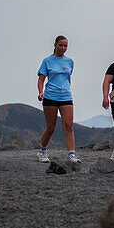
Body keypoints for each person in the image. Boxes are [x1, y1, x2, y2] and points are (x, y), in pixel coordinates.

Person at [36, 35, 77, 164]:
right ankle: (42, 150)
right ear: (55, 45)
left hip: (65, 96)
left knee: (68, 126)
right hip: (50, 97)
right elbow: (41, 79)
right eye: (61, 45)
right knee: (51, 128)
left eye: (65, 46)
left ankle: (72, 155)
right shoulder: (47, 61)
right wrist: (41, 92)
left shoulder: (70, 62)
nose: (63, 48)